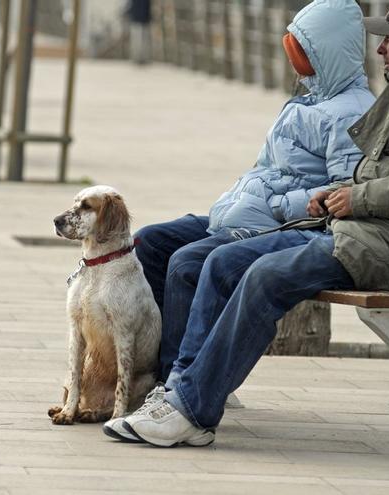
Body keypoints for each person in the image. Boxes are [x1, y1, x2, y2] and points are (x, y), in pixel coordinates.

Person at [116, 0, 389, 447]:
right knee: (226, 262)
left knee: (263, 275)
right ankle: (179, 394)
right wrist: (336, 194)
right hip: (370, 232)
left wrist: (357, 195)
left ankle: (190, 410)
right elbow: (387, 171)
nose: (380, 48)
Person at [102, 0, 375, 442]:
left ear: (327, 52)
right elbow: (268, 167)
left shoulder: (352, 112)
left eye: (303, 52)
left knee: (190, 262)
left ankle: (176, 387)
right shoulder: (309, 98)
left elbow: (343, 191)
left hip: (288, 225)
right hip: (249, 213)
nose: (296, 62)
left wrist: (280, 203)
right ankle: (146, 372)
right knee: (151, 242)